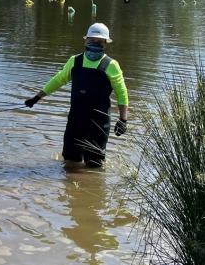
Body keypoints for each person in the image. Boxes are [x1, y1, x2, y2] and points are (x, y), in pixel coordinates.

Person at [24, 23, 128, 167]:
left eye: (99, 41)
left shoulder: (111, 65)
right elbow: (58, 80)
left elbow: (121, 92)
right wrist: (37, 97)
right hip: (76, 120)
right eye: (92, 40)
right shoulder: (75, 61)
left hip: (98, 123)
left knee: (94, 164)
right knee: (70, 162)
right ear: (85, 40)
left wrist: (123, 119)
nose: (95, 44)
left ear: (105, 43)